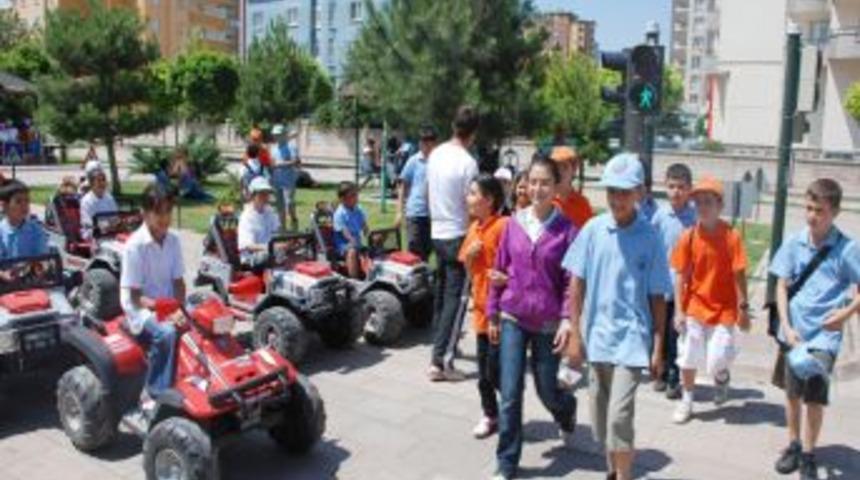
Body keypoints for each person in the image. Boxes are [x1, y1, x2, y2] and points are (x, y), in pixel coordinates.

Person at [561, 152, 671, 480]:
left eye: (624, 192)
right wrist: (576, 334)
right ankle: (613, 470)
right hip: (597, 338)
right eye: (611, 191)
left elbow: (658, 297)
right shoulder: (594, 230)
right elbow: (576, 283)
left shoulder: (650, 237)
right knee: (600, 419)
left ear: (639, 192)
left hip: (632, 341)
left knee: (619, 417)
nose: (616, 199)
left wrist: (658, 346)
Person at [488, 158, 579, 480]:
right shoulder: (513, 223)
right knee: (510, 393)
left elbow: (572, 282)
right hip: (513, 316)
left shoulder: (567, 230)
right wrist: (493, 313)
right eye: (533, 182)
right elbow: (498, 271)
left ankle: (566, 410)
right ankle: (507, 462)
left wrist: (568, 319)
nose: (538, 189)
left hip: (548, 324)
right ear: (525, 184)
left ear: (555, 187)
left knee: (547, 391)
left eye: (545, 183)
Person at [769, 178, 860, 480]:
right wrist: (785, 324)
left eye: (819, 210)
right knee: (792, 394)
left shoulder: (847, 249)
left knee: (814, 399)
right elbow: (781, 285)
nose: (811, 216)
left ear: (834, 212)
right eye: (808, 208)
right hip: (793, 334)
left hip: (823, 339)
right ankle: (793, 445)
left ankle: (809, 453)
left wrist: (845, 314)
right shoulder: (794, 242)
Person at [670, 176, 750, 424]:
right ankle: (687, 400)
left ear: (720, 205)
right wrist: (679, 311)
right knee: (688, 356)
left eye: (708, 202)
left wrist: (743, 308)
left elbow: (739, 275)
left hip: (724, 310)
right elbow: (680, 275)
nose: (702, 207)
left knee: (716, 362)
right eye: (698, 202)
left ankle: (722, 377)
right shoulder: (689, 236)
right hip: (694, 306)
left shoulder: (731, 237)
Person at [119, 183, 186, 409]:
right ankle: (154, 393)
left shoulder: (174, 241)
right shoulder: (134, 246)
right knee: (167, 333)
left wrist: (179, 309)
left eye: (168, 211)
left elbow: (178, 282)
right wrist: (167, 312)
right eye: (159, 212)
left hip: (167, 303)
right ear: (144, 213)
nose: (164, 218)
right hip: (141, 308)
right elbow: (136, 296)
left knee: (205, 318)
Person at [426, 105, 480, 381]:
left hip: (437, 231)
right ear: (474, 133)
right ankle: (441, 362)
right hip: (458, 233)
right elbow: (471, 204)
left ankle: (441, 347)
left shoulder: (436, 154)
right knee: (456, 300)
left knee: (442, 294)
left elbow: (428, 191)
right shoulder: (467, 163)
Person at [459, 174, 508, 440]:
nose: (468, 198)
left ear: (488, 200)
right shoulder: (473, 228)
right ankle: (490, 414)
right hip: (480, 312)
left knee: (495, 369)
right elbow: (467, 267)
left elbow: (517, 266)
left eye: (473, 193)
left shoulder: (503, 226)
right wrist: (470, 256)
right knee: (484, 373)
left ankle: (510, 405)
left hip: (501, 313)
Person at [649, 163, 697, 399]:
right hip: (661, 285)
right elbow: (651, 247)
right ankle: (660, 369)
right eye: (671, 187)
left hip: (685, 289)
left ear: (689, 189)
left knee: (676, 333)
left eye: (681, 187)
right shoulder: (660, 216)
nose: (676, 192)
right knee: (659, 330)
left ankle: (673, 377)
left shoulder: (694, 219)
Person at [396, 126, 437, 261]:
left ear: (434, 143)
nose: (425, 145)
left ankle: (422, 277)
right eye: (422, 141)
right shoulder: (414, 161)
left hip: (433, 214)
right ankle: (414, 277)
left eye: (429, 141)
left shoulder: (439, 161)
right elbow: (402, 186)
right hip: (415, 212)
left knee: (427, 249)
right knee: (414, 247)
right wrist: (399, 212)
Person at [238, 177, 281, 271]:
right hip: (251, 259)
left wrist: (290, 243)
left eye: (267, 193)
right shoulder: (247, 216)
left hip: (270, 252)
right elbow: (248, 246)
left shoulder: (271, 212)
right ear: (253, 195)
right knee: (270, 256)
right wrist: (271, 248)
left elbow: (277, 233)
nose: (265, 197)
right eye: (261, 193)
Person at [0, 179, 48, 260]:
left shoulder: (36, 230)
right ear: (4, 206)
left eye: (27, 201)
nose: (24, 205)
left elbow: (42, 260)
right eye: (18, 202)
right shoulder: (1, 232)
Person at [551, 146, 593, 229]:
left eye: (564, 167)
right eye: (556, 167)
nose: (559, 171)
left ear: (574, 170)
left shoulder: (582, 204)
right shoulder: (543, 199)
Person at [333, 181, 369, 279]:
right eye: (352, 195)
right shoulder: (339, 214)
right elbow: (346, 234)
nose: (356, 198)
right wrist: (356, 244)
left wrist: (371, 237)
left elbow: (365, 227)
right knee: (352, 252)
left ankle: (371, 274)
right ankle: (354, 279)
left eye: (356, 194)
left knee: (375, 247)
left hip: (357, 241)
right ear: (343, 199)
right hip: (343, 244)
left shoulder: (359, 209)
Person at [270, 124, 301, 231]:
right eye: (275, 135)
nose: (276, 137)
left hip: (289, 181)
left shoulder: (291, 147)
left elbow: (296, 162)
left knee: (289, 203)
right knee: (279, 206)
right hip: (276, 181)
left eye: (278, 134)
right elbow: (272, 164)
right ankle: (282, 229)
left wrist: (280, 164)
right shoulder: (273, 149)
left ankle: (294, 225)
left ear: (284, 135)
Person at [80, 166, 119, 240]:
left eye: (103, 180)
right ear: (92, 184)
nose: (102, 183)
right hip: (92, 235)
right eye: (98, 180)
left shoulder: (109, 198)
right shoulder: (86, 201)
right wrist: (109, 225)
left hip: (110, 233)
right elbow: (89, 225)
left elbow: (116, 218)